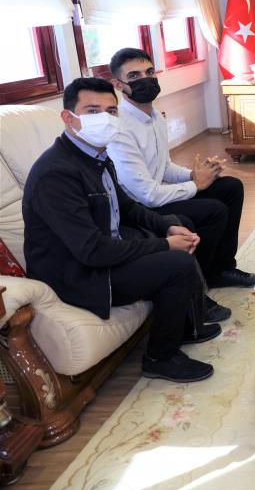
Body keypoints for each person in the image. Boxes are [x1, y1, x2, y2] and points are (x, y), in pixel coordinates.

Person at [23, 78, 220, 383]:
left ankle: (186, 323)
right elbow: (91, 251)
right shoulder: (56, 173)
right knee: (177, 263)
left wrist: (167, 225)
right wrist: (165, 245)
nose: (104, 118)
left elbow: (126, 207)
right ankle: (160, 357)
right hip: (80, 274)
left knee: (180, 223)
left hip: (104, 251)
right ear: (68, 118)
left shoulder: (97, 156)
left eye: (111, 111)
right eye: (92, 111)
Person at [105, 48, 255, 316]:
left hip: (156, 194)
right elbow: (146, 195)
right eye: (134, 76)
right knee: (213, 210)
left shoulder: (154, 116)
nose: (145, 79)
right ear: (118, 85)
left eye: (149, 72)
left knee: (230, 187)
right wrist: (196, 185)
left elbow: (164, 167)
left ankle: (221, 270)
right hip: (139, 208)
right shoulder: (120, 128)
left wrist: (194, 174)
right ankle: (195, 288)